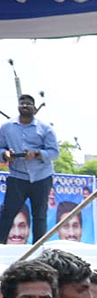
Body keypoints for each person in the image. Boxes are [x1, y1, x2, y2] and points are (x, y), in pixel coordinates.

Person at [0, 94, 59, 243]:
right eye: (22, 103)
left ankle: (38, 250)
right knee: (7, 213)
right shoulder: (6, 127)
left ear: (34, 108)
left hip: (41, 177)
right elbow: (1, 148)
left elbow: (54, 152)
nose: (25, 106)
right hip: (17, 177)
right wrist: (5, 154)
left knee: (39, 215)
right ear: (18, 107)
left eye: (28, 104)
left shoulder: (45, 129)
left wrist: (37, 153)